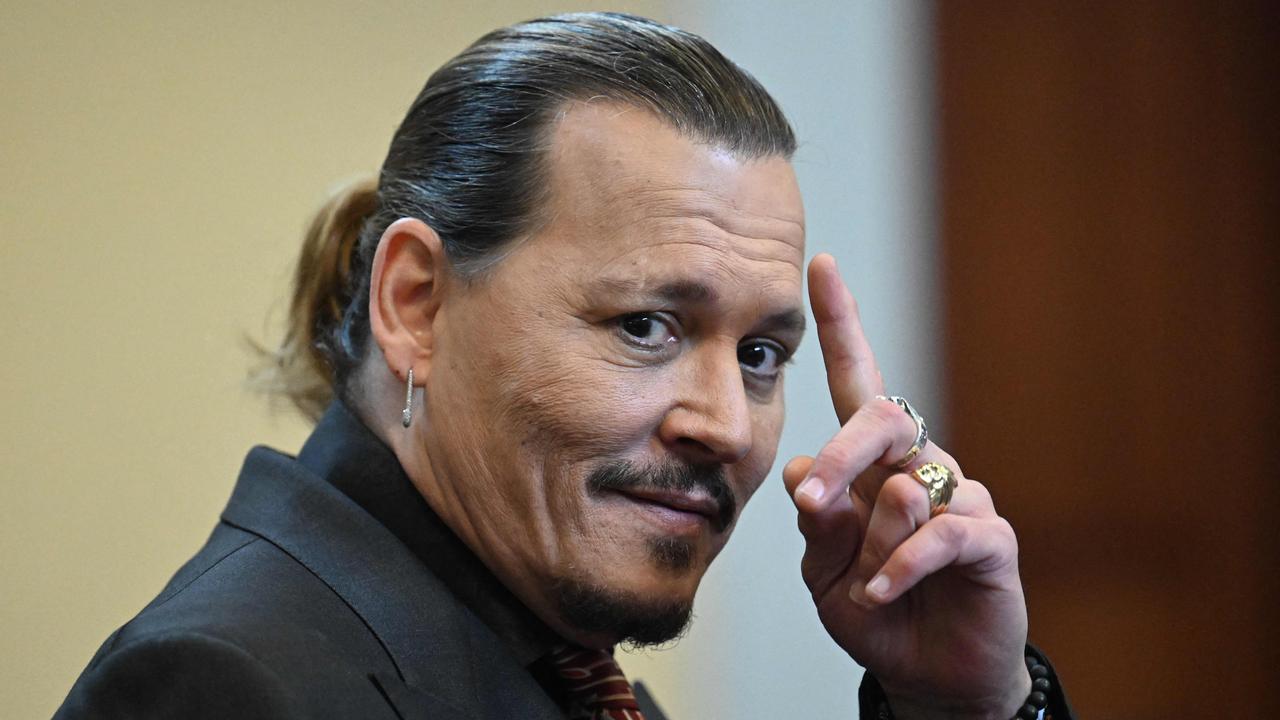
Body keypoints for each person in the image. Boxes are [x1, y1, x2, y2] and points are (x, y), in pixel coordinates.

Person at [55, 12, 1071, 720]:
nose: (723, 423)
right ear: (416, 304)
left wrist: (961, 710)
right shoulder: (226, 689)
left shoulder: (545, 654)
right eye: (644, 326)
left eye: (761, 354)